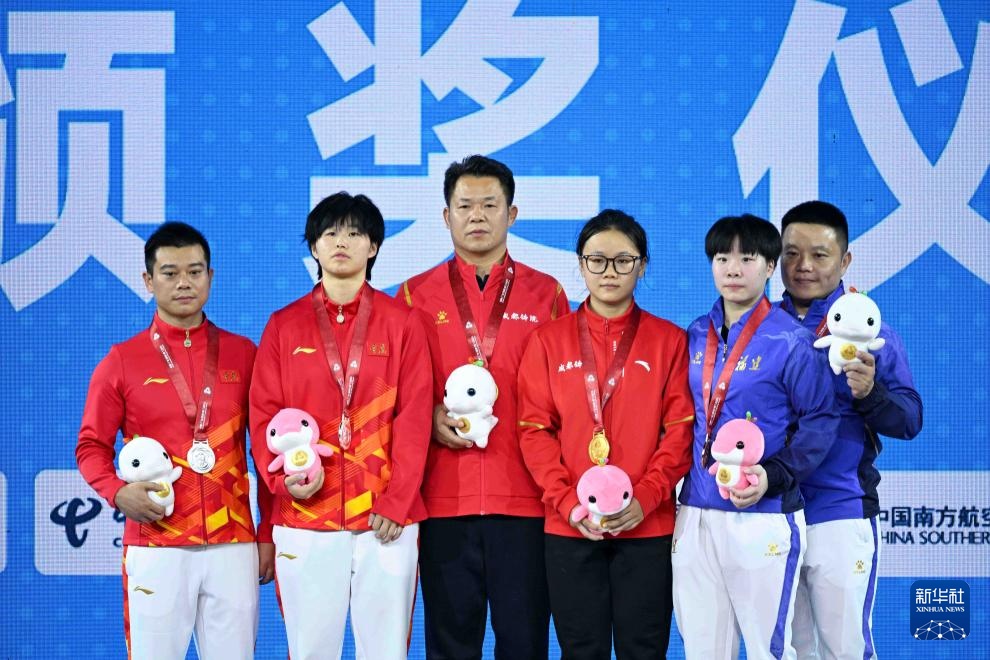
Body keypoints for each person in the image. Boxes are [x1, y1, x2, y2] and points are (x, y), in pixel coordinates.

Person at [398, 155, 569, 659]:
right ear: (445, 216)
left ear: (511, 214)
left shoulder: (546, 293)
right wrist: (428, 417)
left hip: (525, 498)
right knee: (450, 645)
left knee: (524, 643)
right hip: (443, 499)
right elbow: (399, 388)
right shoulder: (414, 295)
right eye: (465, 205)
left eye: (490, 205)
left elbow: (564, 395)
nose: (477, 215)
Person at [76, 221, 272, 659]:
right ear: (148, 281)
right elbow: (91, 446)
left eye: (195, 271)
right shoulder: (122, 360)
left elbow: (265, 451)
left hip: (233, 542)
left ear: (211, 277)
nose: (184, 282)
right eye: (169, 273)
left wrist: (267, 532)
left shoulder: (244, 354)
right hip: (156, 541)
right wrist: (117, 492)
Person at [249, 192, 432, 659]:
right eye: (329, 233)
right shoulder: (284, 326)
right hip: (305, 515)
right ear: (314, 247)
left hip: (384, 520)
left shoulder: (403, 323)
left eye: (354, 232)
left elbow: (414, 418)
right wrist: (283, 482)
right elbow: (263, 417)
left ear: (374, 246)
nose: (341, 242)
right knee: (310, 650)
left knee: (385, 651)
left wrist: (398, 500)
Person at [516, 210, 694, 659]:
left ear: (643, 265)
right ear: (580, 265)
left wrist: (646, 500)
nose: (609, 272)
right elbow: (534, 432)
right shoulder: (547, 341)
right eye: (596, 260)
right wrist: (568, 504)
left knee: (644, 649)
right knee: (581, 650)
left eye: (623, 260)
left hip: (647, 527)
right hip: (571, 527)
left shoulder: (669, 341)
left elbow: (679, 432)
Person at [672, 214, 839, 660]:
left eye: (747, 258)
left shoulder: (791, 340)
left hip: (762, 512)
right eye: (722, 258)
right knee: (703, 650)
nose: (732, 269)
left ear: (769, 267)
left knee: (770, 651)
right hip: (696, 510)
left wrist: (773, 476)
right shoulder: (695, 335)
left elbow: (821, 420)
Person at [778, 201, 923, 660]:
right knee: (787, 649)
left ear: (845, 261)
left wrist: (871, 393)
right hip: (771, 511)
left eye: (819, 255)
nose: (803, 266)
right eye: (791, 253)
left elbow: (909, 420)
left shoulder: (873, 335)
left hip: (840, 508)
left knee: (843, 649)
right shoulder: (760, 330)